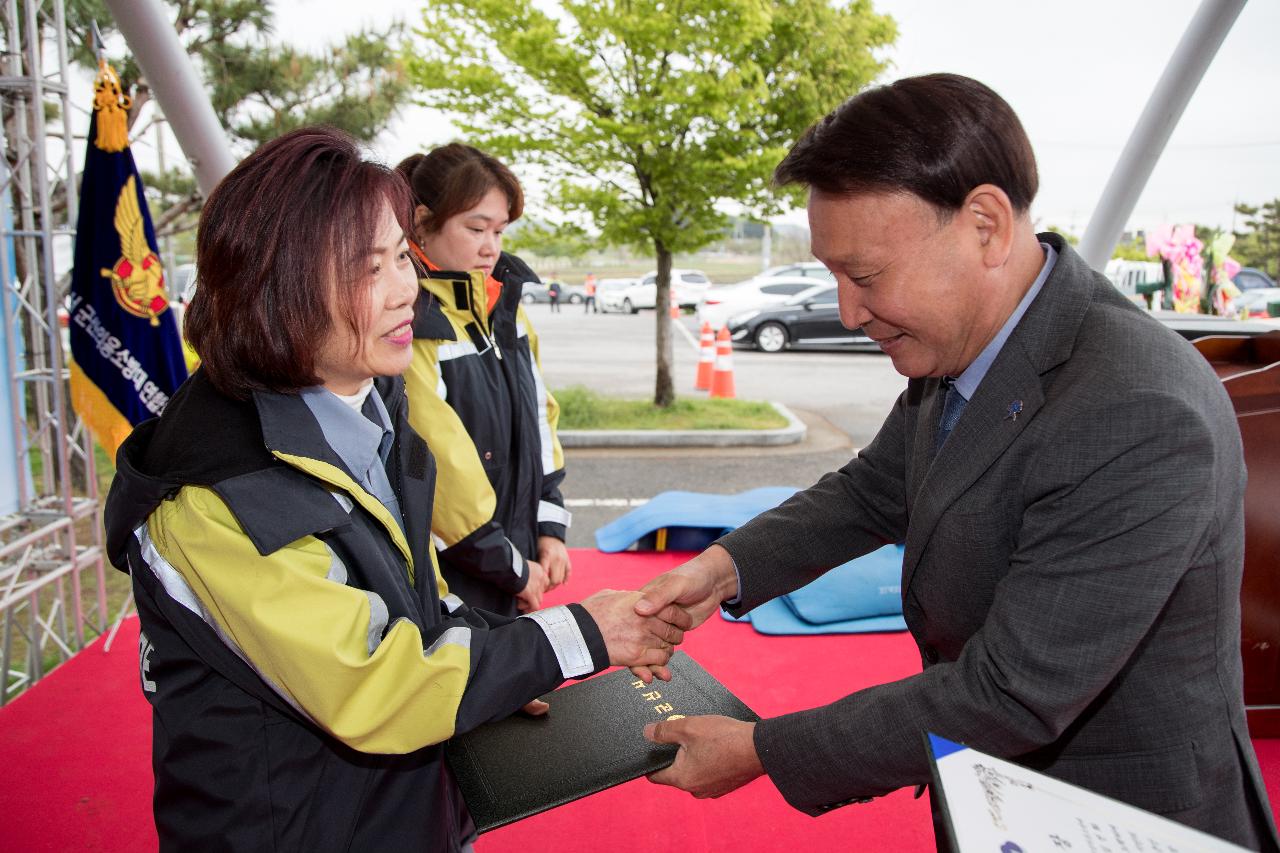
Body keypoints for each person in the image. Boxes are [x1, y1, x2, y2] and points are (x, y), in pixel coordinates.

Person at [632, 74, 1280, 852]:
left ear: (985, 225)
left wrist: (762, 749)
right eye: (832, 274)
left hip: (1118, 815)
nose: (846, 311)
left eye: (866, 275)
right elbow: (874, 491)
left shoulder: (1136, 407)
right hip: (999, 795)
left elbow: (1010, 691)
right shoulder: (967, 347)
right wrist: (724, 569)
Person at [103, 127, 689, 852]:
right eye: (368, 266)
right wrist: (580, 634)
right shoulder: (217, 494)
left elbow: (411, 596)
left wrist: (497, 655)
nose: (408, 288)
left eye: (399, 258)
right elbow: (376, 685)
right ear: (275, 285)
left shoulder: (371, 405)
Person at [395, 146, 573, 629]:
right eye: (475, 229)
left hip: (508, 561)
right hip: (450, 569)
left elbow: (541, 420)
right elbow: (437, 462)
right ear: (421, 223)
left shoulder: (506, 312)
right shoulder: (408, 320)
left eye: (498, 231)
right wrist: (511, 568)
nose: (491, 247)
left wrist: (548, 526)